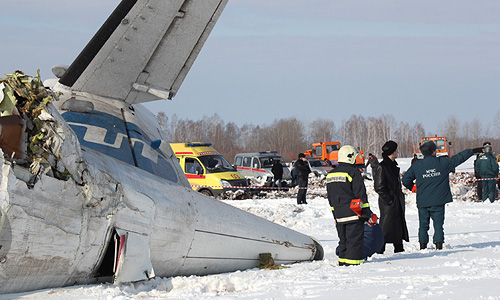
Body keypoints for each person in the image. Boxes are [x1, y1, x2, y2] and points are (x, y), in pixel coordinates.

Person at [402, 141, 483, 250]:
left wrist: (412, 187)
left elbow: (405, 179)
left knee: (423, 226)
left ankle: (422, 246)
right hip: (438, 201)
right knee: (438, 225)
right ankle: (438, 245)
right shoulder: (443, 162)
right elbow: (458, 158)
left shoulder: (417, 166)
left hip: (423, 201)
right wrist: (472, 151)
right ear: (433, 151)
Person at [326, 145, 376, 266]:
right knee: (354, 242)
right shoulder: (353, 173)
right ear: (351, 157)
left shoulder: (330, 175)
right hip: (353, 215)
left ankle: (342, 264)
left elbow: (331, 199)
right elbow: (360, 196)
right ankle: (353, 266)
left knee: (343, 241)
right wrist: (367, 215)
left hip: (339, 215)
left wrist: (335, 216)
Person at [372, 140, 409, 253]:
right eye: (396, 150)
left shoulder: (393, 166)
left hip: (396, 200)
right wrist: (390, 199)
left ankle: (399, 248)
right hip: (388, 203)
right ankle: (379, 249)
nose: (398, 152)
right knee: (386, 226)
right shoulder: (382, 167)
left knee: (397, 224)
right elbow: (379, 187)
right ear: (392, 152)